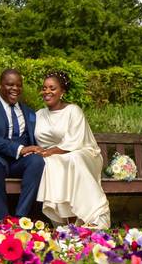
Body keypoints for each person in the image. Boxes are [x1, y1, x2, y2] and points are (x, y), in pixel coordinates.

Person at [33, 70, 111, 229]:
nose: (47, 91)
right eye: (44, 88)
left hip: (82, 152)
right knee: (51, 162)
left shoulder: (73, 111)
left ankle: (94, 215)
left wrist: (49, 152)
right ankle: (65, 220)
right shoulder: (39, 114)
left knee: (72, 158)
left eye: (52, 88)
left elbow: (74, 141)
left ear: (62, 91)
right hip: (52, 156)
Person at [0, 69, 45, 221]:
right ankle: (3, 219)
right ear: (0, 86)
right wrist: (20, 149)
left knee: (37, 161)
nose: (15, 89)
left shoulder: (29, 112)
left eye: (19, 85)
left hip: (18, 163)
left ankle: (21, 218)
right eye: (10, 84)